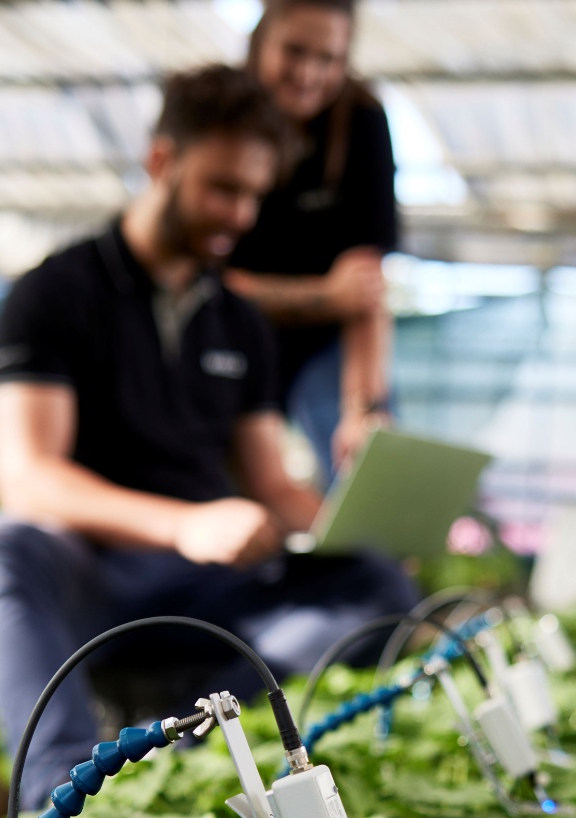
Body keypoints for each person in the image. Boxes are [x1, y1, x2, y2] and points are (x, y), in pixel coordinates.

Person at [0, 64, 418, 809]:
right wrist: (186, 524)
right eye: (222, 189)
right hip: (99, 572)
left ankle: (179, 726)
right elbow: (29, 478)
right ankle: (61, 797)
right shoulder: (54, 294)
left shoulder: (240, 322)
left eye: (255, 196)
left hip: (208, 589)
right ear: (161, 161)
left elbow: (270, 483)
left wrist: (364, 526)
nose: (241, 215)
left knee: (380, 585)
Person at [228, 0, 399, 486]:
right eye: (295, 51)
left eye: (329, 58)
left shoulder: (362, 119)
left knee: (370, 472)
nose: (308, 74)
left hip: (327, 343)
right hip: (233, 335)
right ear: (261, 40)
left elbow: (364, 286)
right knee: (227, 476)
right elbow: (211, 286)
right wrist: (327, 295)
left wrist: (363, 408)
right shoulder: (224, 119)